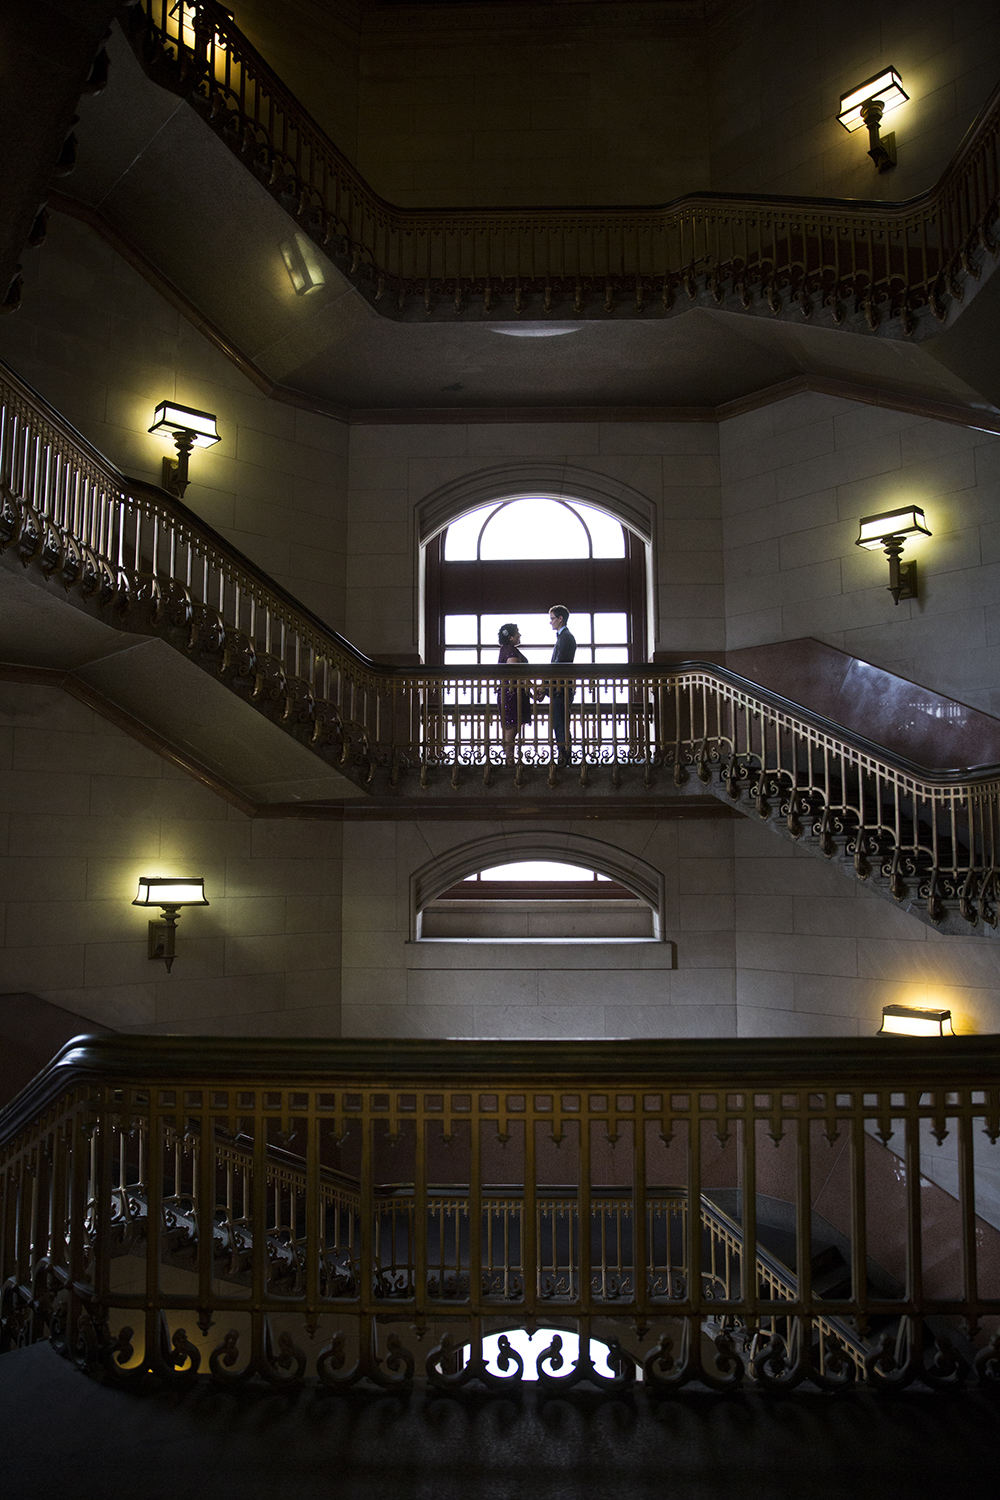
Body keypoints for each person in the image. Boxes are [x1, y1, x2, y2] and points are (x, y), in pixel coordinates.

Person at [497, 622, 533, 764]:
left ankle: (509, 757)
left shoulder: (506, 650)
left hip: (511, 693)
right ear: (511, 637)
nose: (519, 635)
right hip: (512, 695)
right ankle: (509, 759)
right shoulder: (510, 651)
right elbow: (517, 675)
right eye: (517, 633)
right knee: (512, 725)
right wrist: (532, 689)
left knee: (511, 725)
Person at [545, 604, 576, 765]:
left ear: (560, 619)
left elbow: (558, 665)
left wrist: (544, 688)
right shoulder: (564, 637)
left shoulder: (566, 638)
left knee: (560, 722)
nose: (550, 622)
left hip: (561, 688)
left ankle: (564, 755)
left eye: (552, 619)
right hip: (561, 687)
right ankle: (564, 753)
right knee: (560, 722)